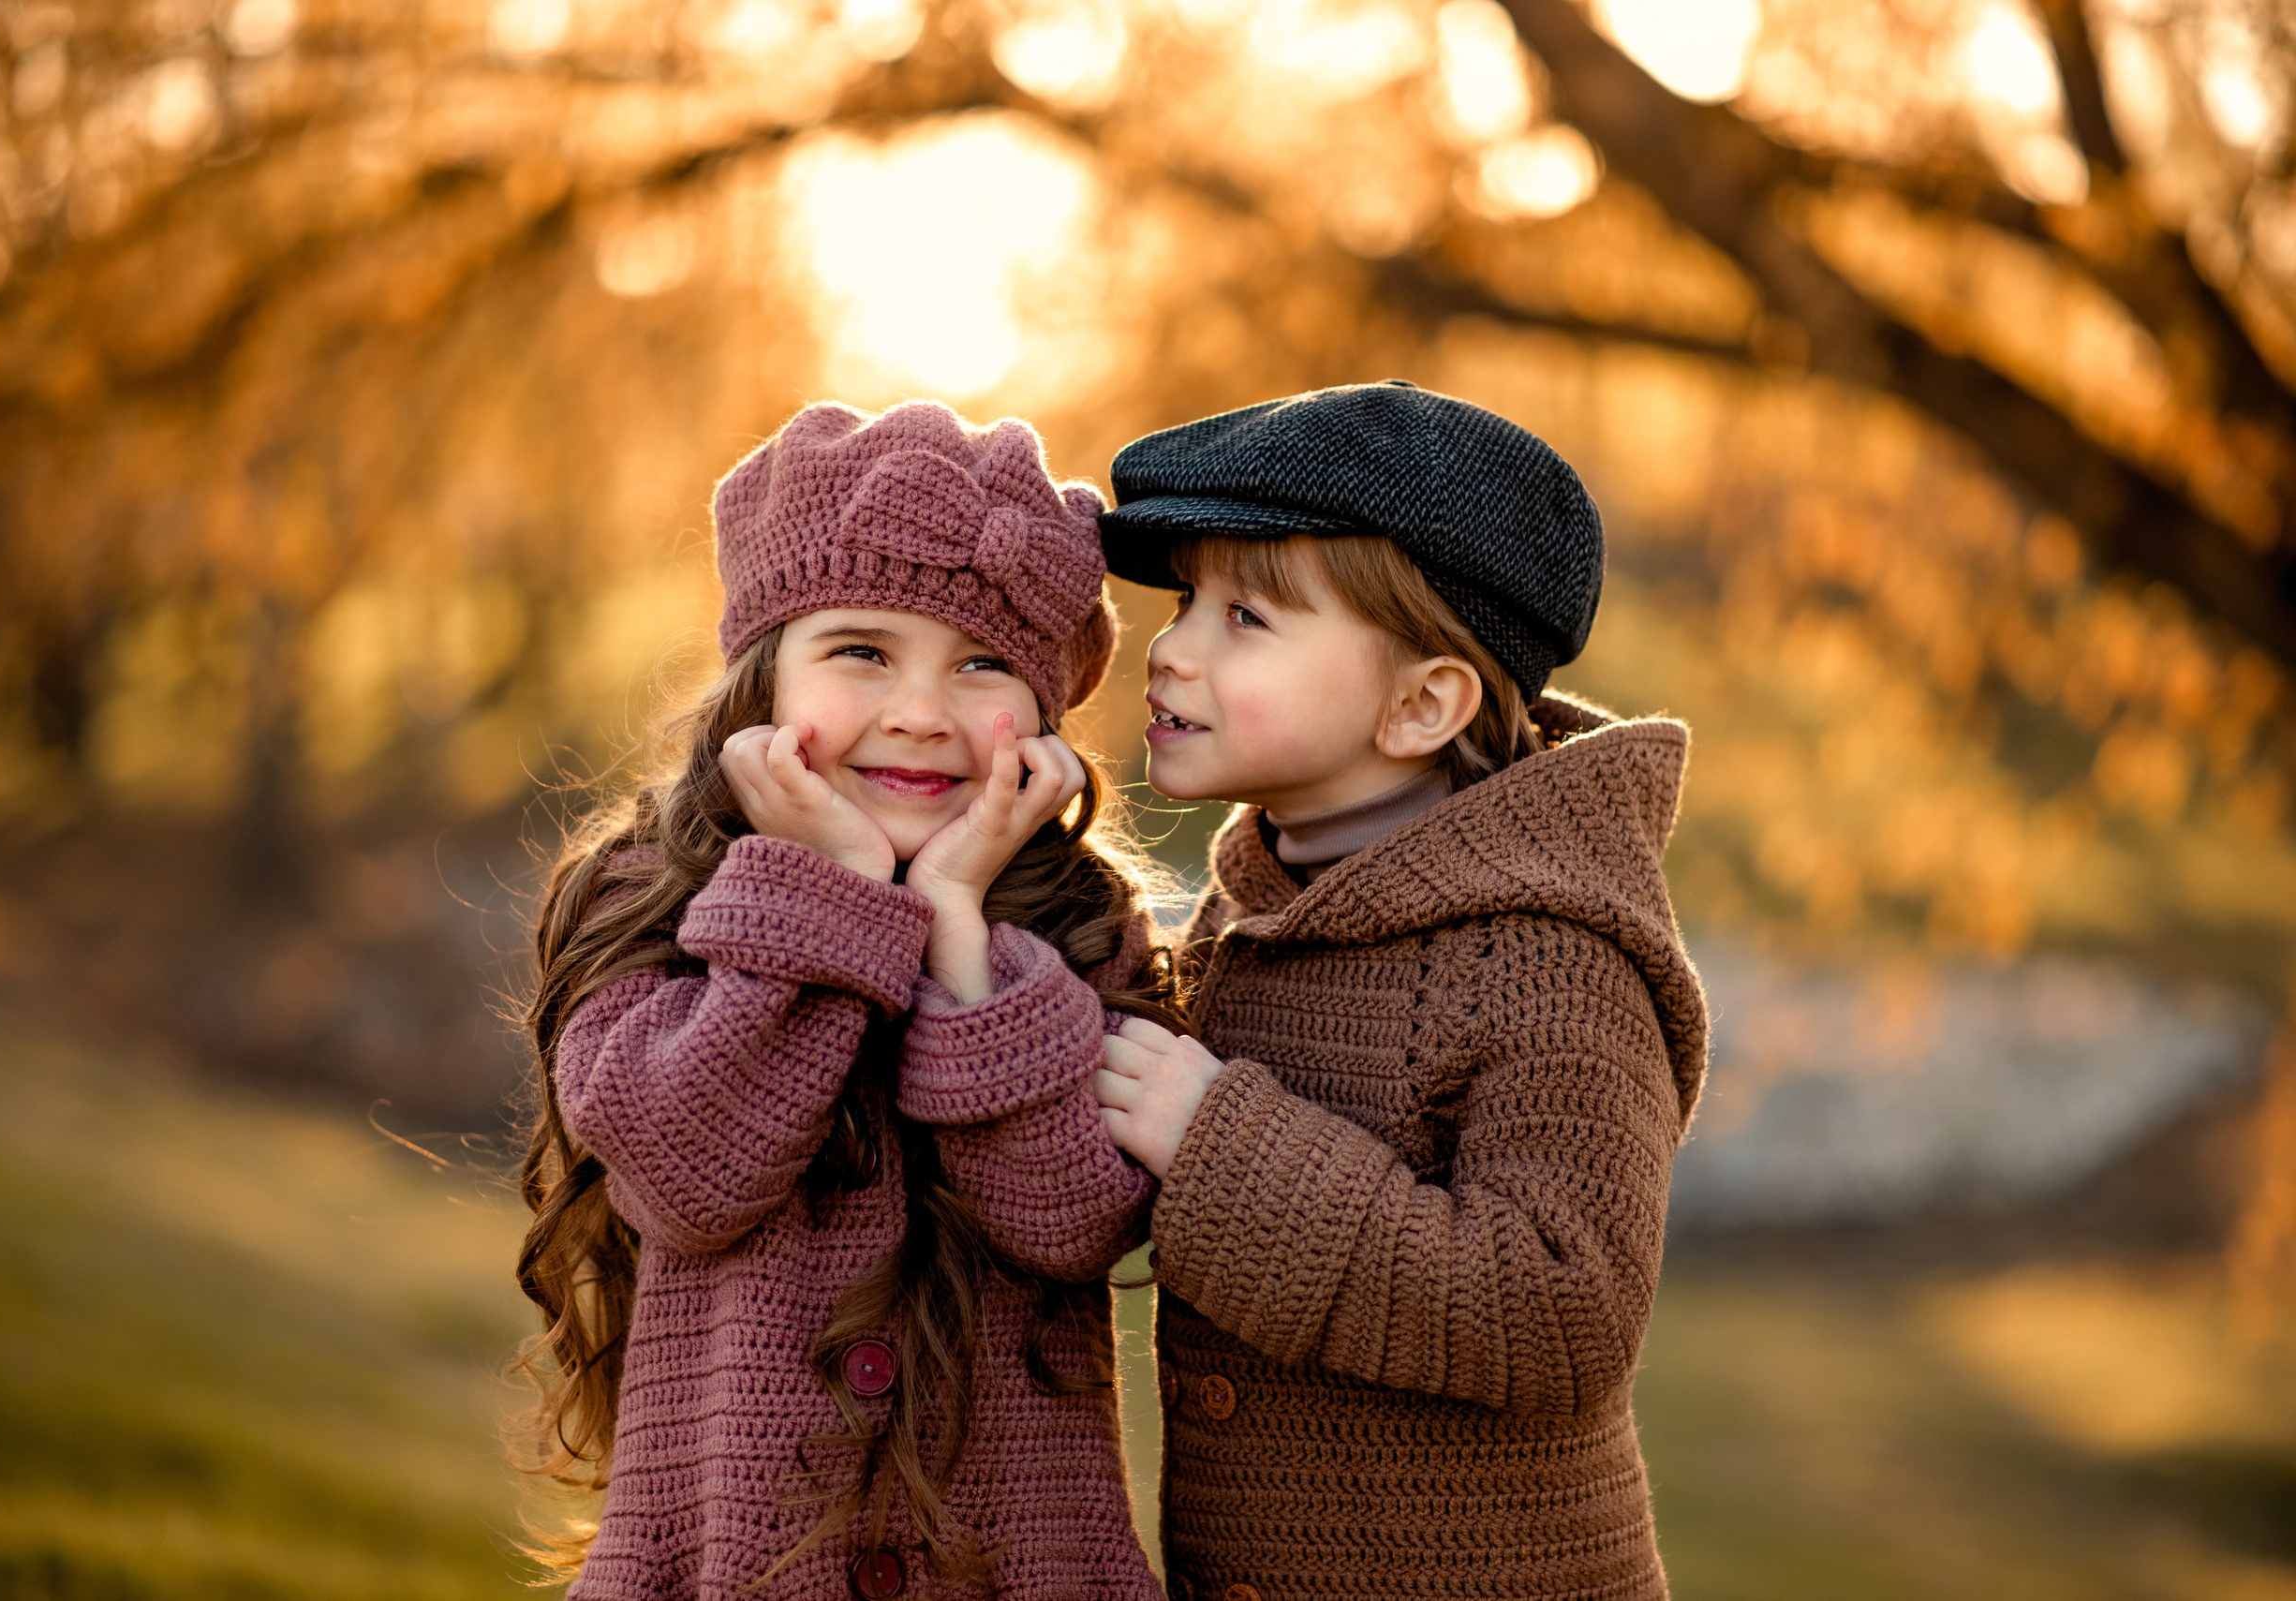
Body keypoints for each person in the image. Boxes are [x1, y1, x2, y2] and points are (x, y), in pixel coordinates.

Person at [516, 400, 1172, 1600]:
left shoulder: (1081, 933)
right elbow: (687, 1174)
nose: (922, 711)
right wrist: (826, 897)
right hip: (726, 1563)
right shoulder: (650, 897)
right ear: (764, 679)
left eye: (981, 665)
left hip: (1018, 1567)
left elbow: (1071, 1220)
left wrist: (961, 928)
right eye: (862, 651)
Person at [1091, 381, 1710, 1601]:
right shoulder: (1258, 907)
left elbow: (1562, 1311)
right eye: (1183, 602)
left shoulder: (1545, 951)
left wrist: (1218, 1146)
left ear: (1423, 703)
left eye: (1248, 617)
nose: (1171, 647)